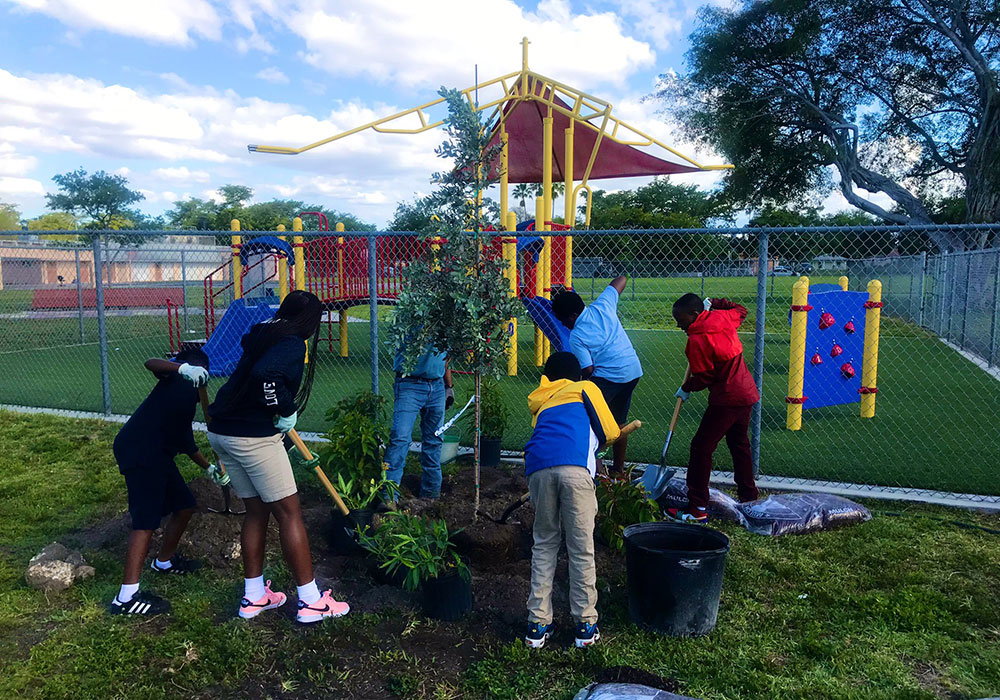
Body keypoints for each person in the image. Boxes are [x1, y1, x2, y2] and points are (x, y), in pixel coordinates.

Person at [207, 290, 350, 624]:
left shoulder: (265, 332)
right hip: (251, 437)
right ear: (310, 321)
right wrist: (285, 409)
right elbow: (266, 377)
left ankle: (254, 596)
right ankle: (311, 602)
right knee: (289, 514)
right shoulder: (290, 343)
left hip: (222, 430)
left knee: (256, 511)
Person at [109, 349, 229, 616]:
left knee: (185, 505)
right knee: (145, 521)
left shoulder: (190, 394)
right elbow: (150, 362)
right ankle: (125, 598)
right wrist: (182, 369)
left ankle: (163, 562)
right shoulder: (176, 379)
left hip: (159, 452)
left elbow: (183, 438)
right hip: (140, 451)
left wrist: (209, 468)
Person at [522, 351, 620, 649]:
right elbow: (611, 431)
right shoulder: (586, 388)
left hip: (537, 470)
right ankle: (585, 625)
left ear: (548, 378)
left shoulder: (542, 401)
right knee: (580, 548)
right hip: (575, 470)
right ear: (578, 375)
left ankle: (537, 626)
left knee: (545, 544)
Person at [670, 294, 760, 523]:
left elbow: (705, 377)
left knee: (701, 448)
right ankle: (750, 499)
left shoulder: (696, 342)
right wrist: (716, 303)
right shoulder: (723, 318)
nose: (678, 324)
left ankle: (697, 508)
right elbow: (741, 309)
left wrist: (686, 387)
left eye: (681, 319)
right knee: (739, 444)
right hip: (746, 393)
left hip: (727, 399)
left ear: (694, 315)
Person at [551, 277, 642, 475]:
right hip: (632, 371)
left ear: (573, 316)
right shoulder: (603, 304)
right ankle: (619, 471)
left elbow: (588, 370)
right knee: (618, 423)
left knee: (588, 420)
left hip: (610, 377)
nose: (563, 324)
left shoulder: (577, 336)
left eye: (562, 320)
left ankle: (595, 470)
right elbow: (621, 280)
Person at [384, 345, 454, 499]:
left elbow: (445, 356)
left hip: (437, 386)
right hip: (409, 384)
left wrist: (448, 386)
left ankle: (431, 495)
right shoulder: (408, 321)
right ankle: (389, 497)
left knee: (434, 440)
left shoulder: (442, 323)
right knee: (400, 438)